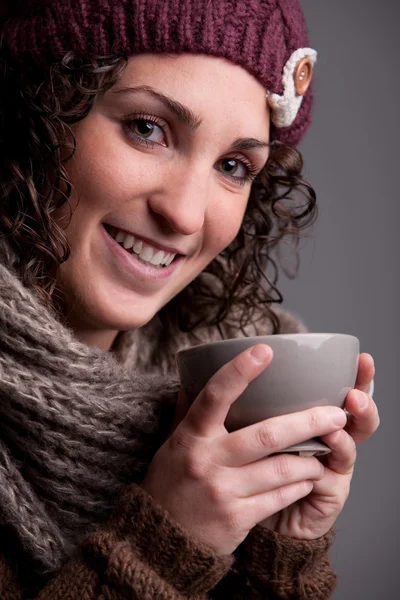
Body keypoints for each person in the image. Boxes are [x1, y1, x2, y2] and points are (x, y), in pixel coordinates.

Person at [0, 1, 379, 598]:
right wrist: (167, 540)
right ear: (37, 111)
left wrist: (274, 553)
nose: (185, 213)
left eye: (233, 165)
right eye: (148, 129)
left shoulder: (222, 389)